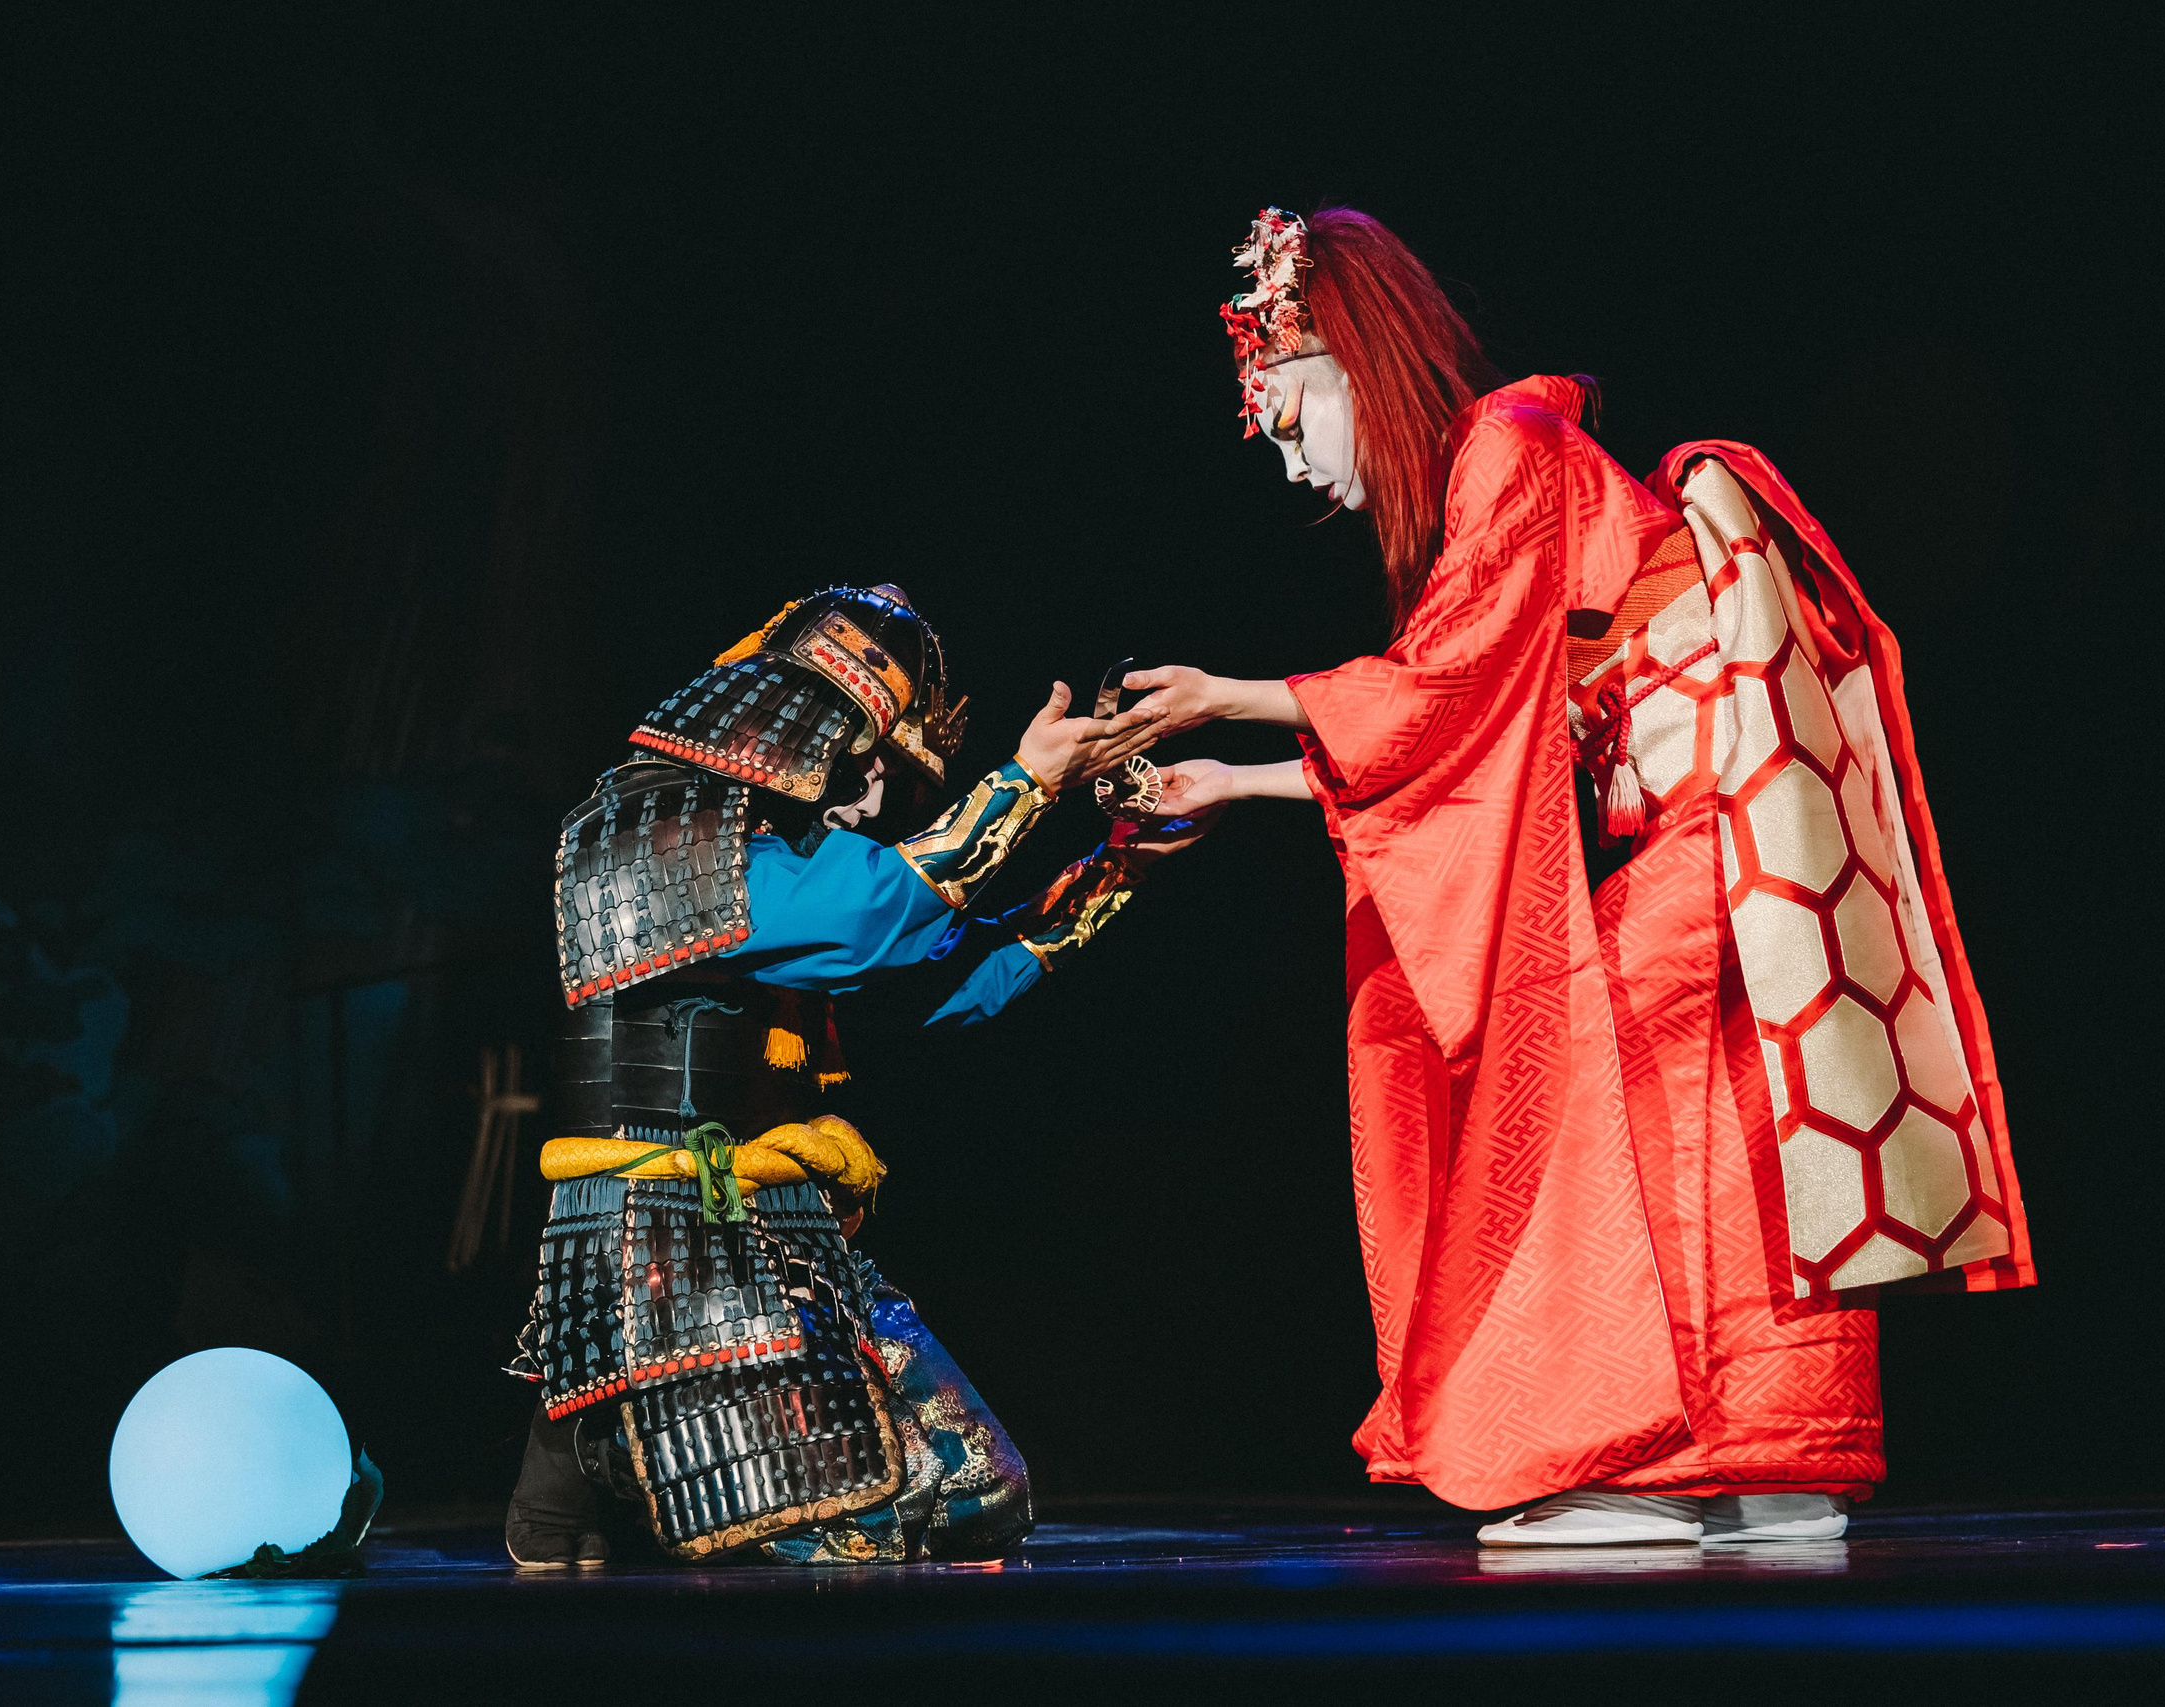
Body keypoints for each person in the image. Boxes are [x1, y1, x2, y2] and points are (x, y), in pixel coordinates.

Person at [1124, 207, 2034, 1545]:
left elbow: (1445, 689)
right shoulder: (1514, 466)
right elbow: (1488, 727)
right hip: (1718, 834)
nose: (1294, 468)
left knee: (1582, 1089)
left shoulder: (1509, 444)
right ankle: (1773, 1464)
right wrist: (1238, 780)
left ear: (1348, 367)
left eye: (1289, 422)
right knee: (1724, 1125)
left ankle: (1634, 1457)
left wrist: (1231, 698)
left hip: (1710, 824)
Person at [503, 583, 1205, 1567]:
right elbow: (876, 911)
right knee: (860, 1532)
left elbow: (947, 969)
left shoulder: (796, 854)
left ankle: (628, 1464)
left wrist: (1126, 856)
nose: (873, 790)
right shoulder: (651, 837)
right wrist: (1026, 782)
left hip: (788, 1236)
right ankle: (609, 1447)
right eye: (858, 753)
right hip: (673, 1245)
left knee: (980, 1496)